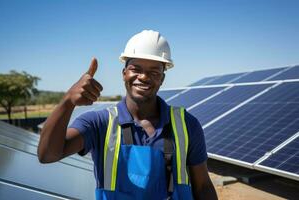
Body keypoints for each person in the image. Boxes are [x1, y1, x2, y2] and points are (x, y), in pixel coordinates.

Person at [38, 30, 218, 200]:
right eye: (136, 69)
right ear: (124, 73)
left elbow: (202, 187)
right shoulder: (99, 123)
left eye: (154, 72)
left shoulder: (186, 124)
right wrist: (68, 101)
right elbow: (47, 155)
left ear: (162, 79)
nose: (144, 77)